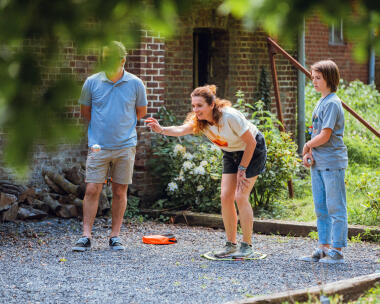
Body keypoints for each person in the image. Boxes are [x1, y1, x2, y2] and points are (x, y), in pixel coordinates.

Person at [146, 85, 267, 258]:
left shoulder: (229, 116)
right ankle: (230, 244)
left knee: (241, 196)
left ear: (211, 105)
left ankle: (247, 246)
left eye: (199, 105)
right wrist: (161, 129)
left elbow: (251, 142)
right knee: (226, 196)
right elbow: (181, 129)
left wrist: (243, 168)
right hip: (231, 152)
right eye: (193, 106)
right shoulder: (200, 122)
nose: (196, 110)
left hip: (252, 150)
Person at [72, 41, 148, 251]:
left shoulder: (136, 83)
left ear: (122, 60)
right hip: (98, 146)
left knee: (120, 191)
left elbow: (141, 112)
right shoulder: (92, 82)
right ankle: (86, 236)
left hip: (125, 146)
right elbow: (86, 112)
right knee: (92, 188)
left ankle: (115, 236)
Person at [300, 60, 348, 264]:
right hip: (319, 162)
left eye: (318, 78)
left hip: (332, 162)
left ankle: (336, 250)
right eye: (312, 77)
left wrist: (307, 145)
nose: (314, 81)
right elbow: (317, 131)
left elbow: (325, 135)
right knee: (321, 207)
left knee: (335, 207)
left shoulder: (332, 103)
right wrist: (310, 152)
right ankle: (323, 247)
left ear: (329, 78)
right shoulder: (322, 101)